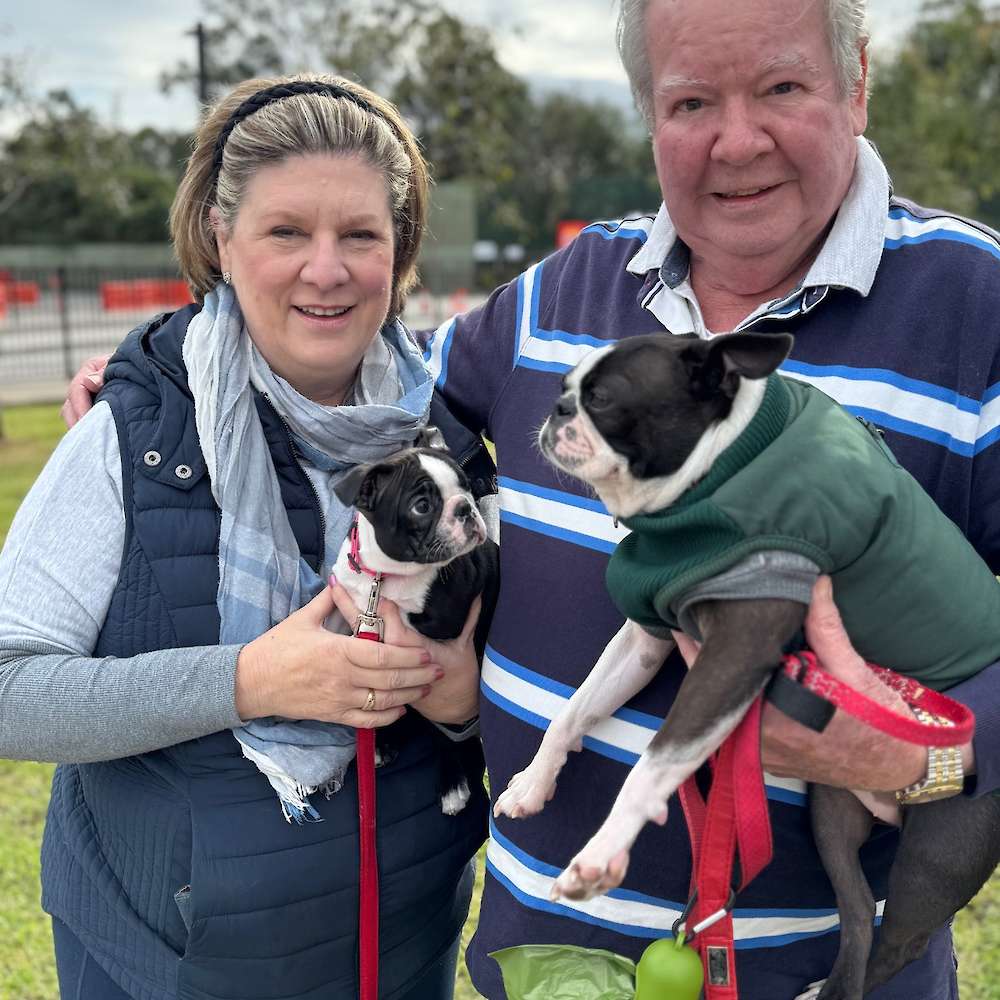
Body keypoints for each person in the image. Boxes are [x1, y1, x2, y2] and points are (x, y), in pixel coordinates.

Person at [61, 1, 1000, 997]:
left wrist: (925, 760)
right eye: (690, 102)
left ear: (855, 82)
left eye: (779, 87)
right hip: (541, 961)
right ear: (649, 113)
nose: (737, 140)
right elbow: (355, 379)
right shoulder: (566, 287)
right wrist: (161, 376)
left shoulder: (974, 303)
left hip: (829, 971)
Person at [0, 74, 495, 1000]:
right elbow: (7, 690)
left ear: (399, 248)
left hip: (402, 951)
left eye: (360, 234)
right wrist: (248, 681)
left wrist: (465, 702)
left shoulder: (454, 437)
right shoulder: (132, 431)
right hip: (164, 963)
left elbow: (535, 683)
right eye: (286, 232)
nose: (326, 269)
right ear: (221, 238)